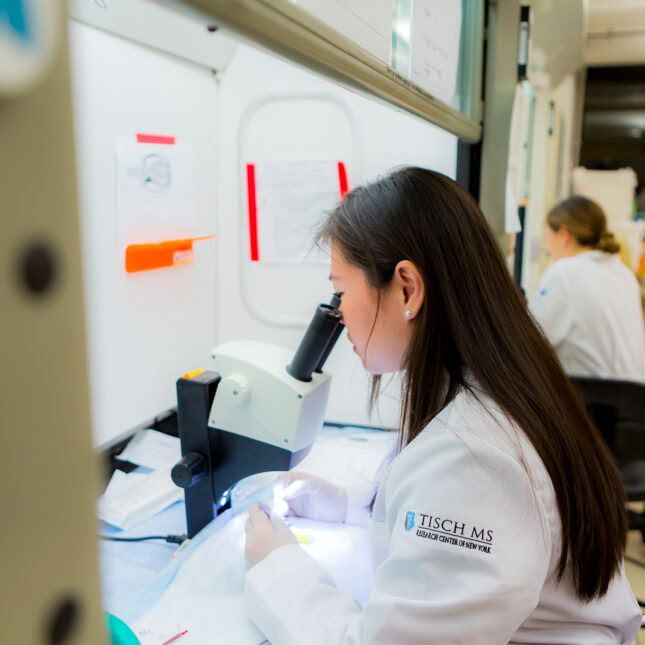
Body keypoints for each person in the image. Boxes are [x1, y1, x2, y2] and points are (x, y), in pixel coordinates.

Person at [243, 168, 641, 644]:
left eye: (341, 290)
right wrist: (356, 507)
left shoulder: (472, 455)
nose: (338, 311)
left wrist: (276, 566)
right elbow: (463, 531)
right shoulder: (503, 382)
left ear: (407, 288)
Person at [529, 195, 645, 382]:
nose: (548, 250)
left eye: (548, 238)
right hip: (634, 402)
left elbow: (530, 341)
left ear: (564, 235)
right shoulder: (623, 273)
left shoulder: (564, 273)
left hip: (590, 399)